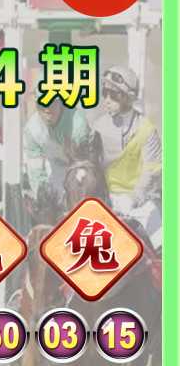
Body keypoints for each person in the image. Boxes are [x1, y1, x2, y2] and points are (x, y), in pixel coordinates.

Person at [93, 66, 162, 248]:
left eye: (113, 95)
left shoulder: (147, 129)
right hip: (106, 201)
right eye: (104, 93)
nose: (107, 100)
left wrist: (133, 198)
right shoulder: (98, 127)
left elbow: (152, 171)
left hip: (142, 204)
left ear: (127, 97)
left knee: (163, 245)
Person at [22, 101, 93, 205]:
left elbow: (85, 166)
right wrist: (42, 197)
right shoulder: (32, 129)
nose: (47, 110)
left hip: (79, 168)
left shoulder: (78, 124)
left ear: (60, 103)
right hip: (55, 168)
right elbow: (36, 172)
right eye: (42, 104)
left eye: (52, 104)